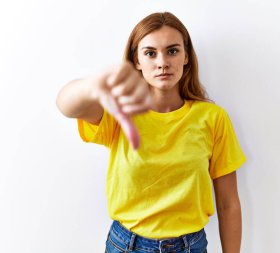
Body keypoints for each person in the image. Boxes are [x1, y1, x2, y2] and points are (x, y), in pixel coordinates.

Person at [56, 12, 247, 253]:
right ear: (136, 60)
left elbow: (229, 203)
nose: (162, 62)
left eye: (172, 51)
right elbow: (66, 105)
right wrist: (93, 85)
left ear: (186, 56)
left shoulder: (213, 118)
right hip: (126, 245)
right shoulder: (120, 112)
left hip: (191, 247)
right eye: (150, 53)